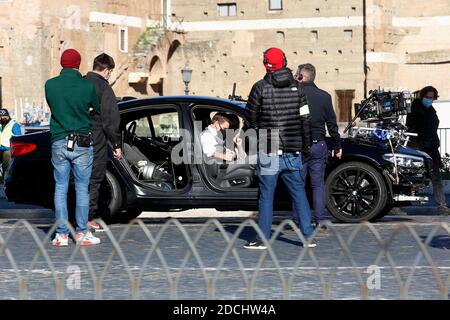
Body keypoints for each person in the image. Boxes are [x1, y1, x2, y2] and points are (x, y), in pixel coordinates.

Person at [244, 47, 315, 249]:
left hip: (268, 147)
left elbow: (250, 119)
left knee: (266, 195)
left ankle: (263, 239)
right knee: (299, 193)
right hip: (293, 147)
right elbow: (305, 119)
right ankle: (308, 236)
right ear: (284, 61)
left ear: (266, 64)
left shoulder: (260, 88)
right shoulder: (299, 89)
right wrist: (306, 146)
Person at [45, 48, 101, 246]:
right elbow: (96, 109)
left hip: (59, 140)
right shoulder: (87, 87)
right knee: (82, 189)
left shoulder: (50, 85)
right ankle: (81, 233)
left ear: (62, 63)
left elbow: (54, 107)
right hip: (83, 142)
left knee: (60, 188)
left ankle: (61, 234)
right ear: (78, 64)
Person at [295, 63, 342, 230]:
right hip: (319, 144)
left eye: (296, 74)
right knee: (318, 184)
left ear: (301, 76)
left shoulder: (295, 95)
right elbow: (332, 124)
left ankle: (300, 220)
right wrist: (337, 145)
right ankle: (320, 220)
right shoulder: (325, 96)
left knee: (298, 184)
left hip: (299, 145)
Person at [85, 53, 122, 231]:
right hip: (97, 140)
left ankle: (75, 217)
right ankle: (88, 218)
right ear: (106, 70)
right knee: (94, 179)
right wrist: (116, 144)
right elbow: (110, 120)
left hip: (78, 139)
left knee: (78, 180)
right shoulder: (104, 88)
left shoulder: (82, 83)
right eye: (110, 72)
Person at [406, 86, 450, 215]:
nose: (429, 99)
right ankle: (397, 204)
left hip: (432, 147)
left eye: (432, 98)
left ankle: (442, 205)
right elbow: (413, 126)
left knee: (436, 177)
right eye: (427, 97)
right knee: (410, 176)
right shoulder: (416, 108)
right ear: (422, 96)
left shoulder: (431, 110)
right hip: (419, 147)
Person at [0, 109, 22, 174]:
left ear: (8, 116)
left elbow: (18, 138)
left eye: (4, 117)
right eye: (0, 117)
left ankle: (6, 181)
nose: (1, 118)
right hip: (1, 149)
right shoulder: (1, 125)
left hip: (8, 150)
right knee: (3, 168)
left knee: (7, 168)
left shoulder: (14, 125)